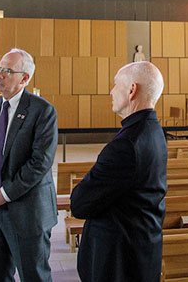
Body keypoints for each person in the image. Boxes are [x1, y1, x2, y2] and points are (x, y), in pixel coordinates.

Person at [70, 61, 167, 282]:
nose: (111, 92)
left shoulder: (126, 145)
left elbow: (80, 204)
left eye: (116, 85)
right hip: (141, 251)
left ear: (132, 90)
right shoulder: (153, 130)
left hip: (119, 263)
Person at [0, 48, 58, 282]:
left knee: (34, 276)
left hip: (27, 212)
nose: (0, 75)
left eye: (7, 71)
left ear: (25, 78)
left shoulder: (43, 111)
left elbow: (40, 163)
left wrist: (5, 193)